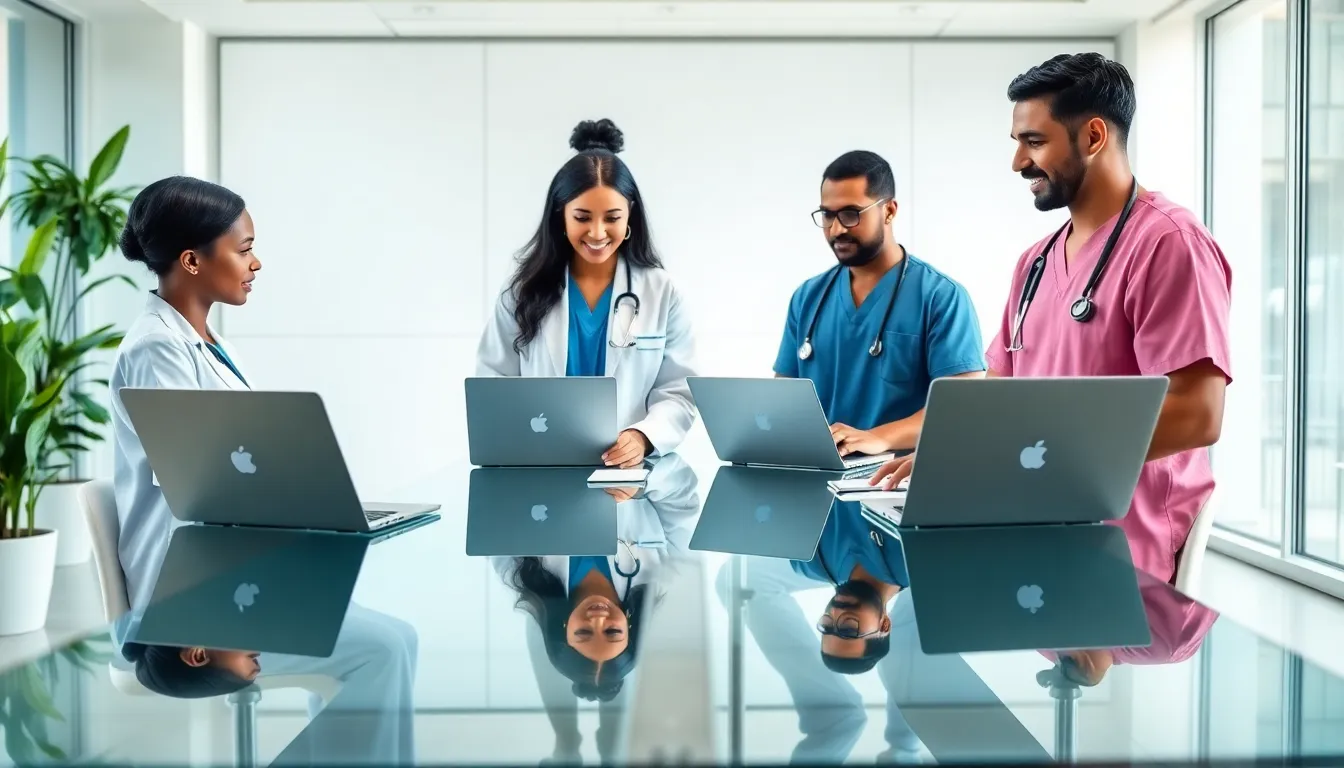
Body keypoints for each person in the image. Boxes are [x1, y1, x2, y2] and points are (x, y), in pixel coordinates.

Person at [872, 53, 1232, 584]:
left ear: (1092, 137)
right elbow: (998, 391)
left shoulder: (1169, 245)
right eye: (1017, 142)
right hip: (1031, 541)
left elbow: (1199, 415)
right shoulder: (1036, 263)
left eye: (1034, 142)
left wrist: (1031, 454)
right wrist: (948, 452)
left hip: (1125, 566)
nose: (1018, 162)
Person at [476, 119, 698, 468]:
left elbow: (679, 392)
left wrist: (642, 437)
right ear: (560, 216)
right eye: (582, 217)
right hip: (540, 471)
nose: (597, 232)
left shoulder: (661, 292)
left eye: (612, 217)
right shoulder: (521, 292)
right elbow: (491, 385)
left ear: (630, 218)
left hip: (627, 478)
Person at [775, 151, 985, 458]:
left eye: (851, 214)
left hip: (897, 490)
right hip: (819, 487)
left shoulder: (941, 297)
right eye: (828, 215)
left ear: (888, 211)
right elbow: (783, 401)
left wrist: (878, 437)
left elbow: (961, 409)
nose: (836, 229)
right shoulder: (807, 297)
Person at [111, 176, 259, 609]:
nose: (256, 264)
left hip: (227, 563)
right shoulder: (155, 347)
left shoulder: (214, 344)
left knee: (387, 638)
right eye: (245, 249)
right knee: (383, 645)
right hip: (185, 588)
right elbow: (193, 483)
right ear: (192, 261)